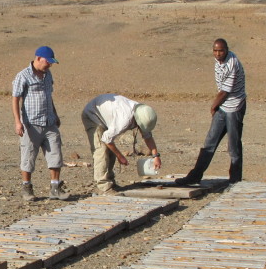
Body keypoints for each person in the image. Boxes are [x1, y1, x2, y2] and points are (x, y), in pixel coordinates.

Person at [175, 38, 246, 185]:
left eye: (221, 51)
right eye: (215, 51)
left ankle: (235, 180)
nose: (218, 54)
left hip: (234, 107)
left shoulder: (232, 63)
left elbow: (225, 91)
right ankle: (195, 176)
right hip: (223, 106)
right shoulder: (218, 62)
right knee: (209, 143)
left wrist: (213, 106)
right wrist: (218, 106)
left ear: (227, 50)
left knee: (233, 146)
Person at [12, 46, 68, 201]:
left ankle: (55, 188)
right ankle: (27, 188)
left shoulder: (48, 75)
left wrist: (55, 114)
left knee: (55, 154)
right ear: (38, 58)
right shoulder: (23, 76)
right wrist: (18, 122)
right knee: (28, 155)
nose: (49, 65)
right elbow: (15, 99)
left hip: (49, 122)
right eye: (47, 62)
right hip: (31, 123)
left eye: (51, 63)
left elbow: (49, 96)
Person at [80, 94, 160, 194]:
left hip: (106, 116)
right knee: (102, 150)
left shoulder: (142, 113)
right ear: (136, 121)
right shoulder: (124, 120)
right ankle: (103, 187)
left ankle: (111, 182)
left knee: (111, 150)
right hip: (92, 115)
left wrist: (156, 156)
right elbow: (107, 139)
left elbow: (148, 137)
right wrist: (120, 156)